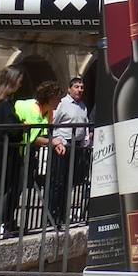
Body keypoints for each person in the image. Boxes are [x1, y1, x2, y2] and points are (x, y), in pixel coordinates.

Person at [15, 80, 63, 228]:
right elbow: (33, 138)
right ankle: (0, 222)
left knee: (19, 189)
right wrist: (54, 142)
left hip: (27, 153)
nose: (60, 101)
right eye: (58, 98)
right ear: (50, 97)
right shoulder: (33, 110)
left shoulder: (48, 111)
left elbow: (46, 134)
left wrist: (56, 142)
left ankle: (8, 222)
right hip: (15, 151)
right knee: (13, 189)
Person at [0, 67, 26, 237]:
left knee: (0, 188)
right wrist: (22, 125)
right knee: (8, 188)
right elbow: (12, 129)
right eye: (19, 80)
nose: (21, 84)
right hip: (6, 154)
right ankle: (2, 223)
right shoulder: (4, 104)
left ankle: (0, 222)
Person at [48, 75, 90, 226]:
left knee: (69, 182)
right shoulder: (63, 104)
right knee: (58, 181)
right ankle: (52, 216)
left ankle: (63, 214)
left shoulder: (83, 106)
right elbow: (53, 123)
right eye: (76, 87)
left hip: (76, 146)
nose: (79, 90)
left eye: (81, 87)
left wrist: (86, 141)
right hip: (62, 146)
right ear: (69, 89)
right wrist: (55, 139)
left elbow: (84, 125)